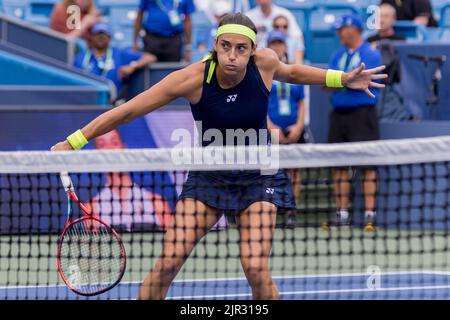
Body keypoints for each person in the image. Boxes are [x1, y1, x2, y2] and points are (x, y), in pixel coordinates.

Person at [52, 13, 386, 300]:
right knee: (168, 261)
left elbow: (295, 73)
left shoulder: (266, 63)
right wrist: (74, 140)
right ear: (215, 46)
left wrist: (342, 79)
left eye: (241, 49)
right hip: (208, 177)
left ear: (253, 51)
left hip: (258, 177)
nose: (232, 56)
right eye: (225, 46)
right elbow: (127, 111)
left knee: (255, 267)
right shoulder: (192, 79)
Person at [321, 14, 383, 233]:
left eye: (342, 29)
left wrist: (343, 83)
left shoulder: (371, 54)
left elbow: (365, 84)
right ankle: (342, 213)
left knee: (367, 166)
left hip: (362, 116)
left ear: (353, 29)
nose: (339, 33)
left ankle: (369, 215)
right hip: (339, 116)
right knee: (339, 166)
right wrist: (348, 83)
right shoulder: (337, 56)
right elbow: (325, 85)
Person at [87, 129, 173, 231]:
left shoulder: (158, 203)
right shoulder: (91, 208)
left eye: (114, 143)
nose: (109, 149)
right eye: (102, 145)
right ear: (95, 156)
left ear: (125, 149)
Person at [266, 30, 306, 228]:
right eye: (273, 43)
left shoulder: (293, 71)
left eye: (280, 43)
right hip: (271, 128)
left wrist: (299, 125)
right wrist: (270, 126)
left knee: (294, 170)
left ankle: (291, 210)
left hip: (293, 129)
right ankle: (270, 209)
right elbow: (259, 101)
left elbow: (301, 102)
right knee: (269, 171)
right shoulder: (263, 72)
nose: (277, 47)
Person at [73, 23, 156, 100]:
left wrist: (132, 66)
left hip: (113, 101)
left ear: (109, 38)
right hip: (86, 100)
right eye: (97, 35)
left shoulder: (119, 54)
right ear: (91, 38)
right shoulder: (81, 56)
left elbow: (150, 57)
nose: (100, 38)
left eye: (104, 35)